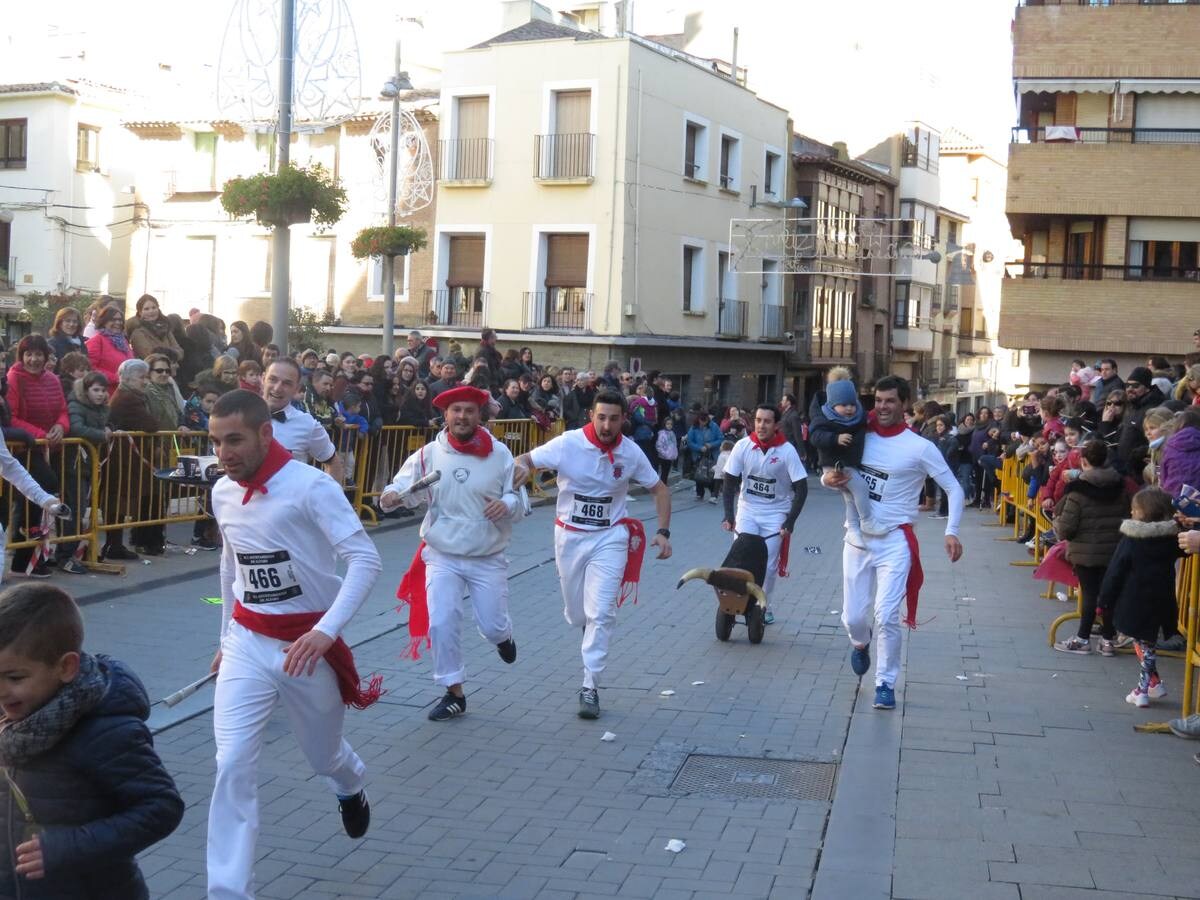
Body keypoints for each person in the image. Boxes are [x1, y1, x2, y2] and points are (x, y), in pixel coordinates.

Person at [206, 390, 382, 898]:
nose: (224, 453)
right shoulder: (222, 493)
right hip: (246, 641)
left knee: (323, 756)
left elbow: (365, 561)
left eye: (234, 440)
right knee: (232, 762)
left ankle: (349, 784)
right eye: (216, 442)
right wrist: (224, 637)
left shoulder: (310, 488)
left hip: (307, 648)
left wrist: (325, 631)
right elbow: (230, 564)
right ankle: (229, 890)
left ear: (266, 434)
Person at [0, 583, 184, 898]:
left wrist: (69, 846)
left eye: (15, 678)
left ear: (66, 667)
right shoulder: (12, 720)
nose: (1, 691)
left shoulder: (106, 731)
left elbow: (161, 807)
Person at [513, 390, 672, 720]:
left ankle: (590, 685)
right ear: (591, 415)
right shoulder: (568, 443)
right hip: (569, 537)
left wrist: (663, 531)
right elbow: (526, 460)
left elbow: (659, 489)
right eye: (601, 417)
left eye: (614, 418)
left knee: (602, 613)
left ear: (623, 419)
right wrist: (519, 470)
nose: (607, 424)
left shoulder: (630, 453)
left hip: (610, 538)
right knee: (577, 614)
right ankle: (586, 627)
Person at [824, 376, 964, 711]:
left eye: (890, 401)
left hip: (895, 540)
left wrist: (952, 530)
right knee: (853, 618)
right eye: (878, 400)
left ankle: (885, 682)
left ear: (904, 403)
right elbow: (830, 469)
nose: (882, 407)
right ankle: (860, 642)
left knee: (885, 616)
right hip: (856, 538)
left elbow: (954, 488)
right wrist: (829, 479)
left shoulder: (920, 447)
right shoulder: (859, 431)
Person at [383, 385, 521, 721]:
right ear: (446, 415)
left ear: (479, 415)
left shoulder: (500, 454)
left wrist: (507, 504)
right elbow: (401, 488)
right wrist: (390, 496)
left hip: (487, 556)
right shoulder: (429, 454)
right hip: (442, 554)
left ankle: (502, 636)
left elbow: (520, 500)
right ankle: (453, 691)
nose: (462, 416)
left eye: (469, 411)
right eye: (456, 410)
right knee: (442, 622)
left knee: (491, 626)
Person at [721, 405, 810, 624]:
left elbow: (802, 488)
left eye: (767, 421)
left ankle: (763, 606)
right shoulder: (742, 446)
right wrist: (728, 515)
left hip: (775, 514)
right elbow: (729, 481)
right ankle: (734, 603)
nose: (761, 425)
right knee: (740, 560)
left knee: (768, 565)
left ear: (776, 425)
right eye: (758, 420)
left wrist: (790, 521)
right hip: (748, 511)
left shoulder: (786, 451)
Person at [1098, 487, 1180, 707]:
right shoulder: (1171, 539)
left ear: (1141, 513)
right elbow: (1187, 549)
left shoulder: (1132, 540)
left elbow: (1116, 570)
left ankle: (1142, 689)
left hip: (1135, 599)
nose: (1131, 513)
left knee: (1143, 645)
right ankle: (1154, 683)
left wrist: (1104, 599)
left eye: (1134, 509)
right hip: (1162, 598)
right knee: (1148, 643)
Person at [1052, 440, 1130, 656]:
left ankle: (1082, 638)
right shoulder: (1120, 487)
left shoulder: (1077, 491)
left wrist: (1056, 523)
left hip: (1085, 553)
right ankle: (1107, 640)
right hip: (1114, 550)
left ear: (1083, 462)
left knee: (1089, 594)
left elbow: (1066, 528)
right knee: (1109, 594)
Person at [808, 378, 879, 535]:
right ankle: (867, 521)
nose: (849, 409)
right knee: (860, 488)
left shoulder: (858, 418)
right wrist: (835, 438)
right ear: (832, 406)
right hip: (836, 464)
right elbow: (815, 437)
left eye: (852, 404)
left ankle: (853, 528)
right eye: (844, 405)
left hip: (848, 463)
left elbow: (866, 421)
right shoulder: (823, 418)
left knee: (850, 498)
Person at [261, 359, 343, 484]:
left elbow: (333, 462)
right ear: (263, 379)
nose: (277, 388)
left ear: (297, 389)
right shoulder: (241, 415)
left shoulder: (307, 424)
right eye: (273, 379)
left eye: (287, 383)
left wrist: (327, 498)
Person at [85, 306, 134, 394]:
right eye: (113, 320)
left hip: (125, 391)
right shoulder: (97, 341)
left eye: (120, 320)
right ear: (104, 322)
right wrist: (117, 378)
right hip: (105, 393)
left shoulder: (124, 342)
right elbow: (90, 368)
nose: (118, 322)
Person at [126, 294, 182, 361]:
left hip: (171, 369)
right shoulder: (137, 333)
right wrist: (172, 353)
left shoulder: (165, 328)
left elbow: (180, 351)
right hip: (153, 370)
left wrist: (168, 353)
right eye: (146, 309)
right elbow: (150, 356)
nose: (151, 311)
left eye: (154, 307)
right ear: (140, 312)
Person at [687, 411, 722, 502]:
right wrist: (699, 448)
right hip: (699, 454)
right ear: (698, 420)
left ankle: (713, 494)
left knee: (711, 474)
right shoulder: (694, 428)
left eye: (705, 421)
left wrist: (711, 445)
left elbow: (720, 438)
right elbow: (690, 442)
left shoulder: (714, 426)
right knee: (699, 474)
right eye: (701, 421)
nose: (703, 423)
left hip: (711, 454)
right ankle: (699, 493)